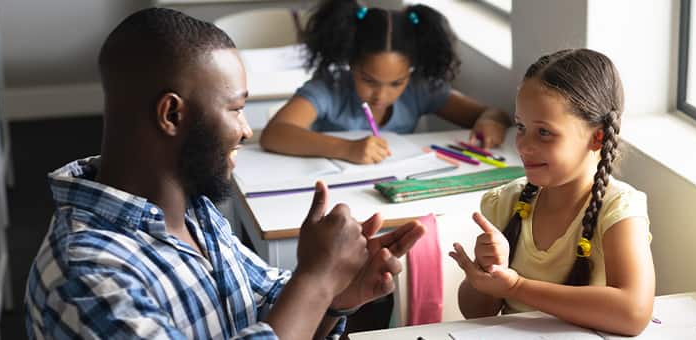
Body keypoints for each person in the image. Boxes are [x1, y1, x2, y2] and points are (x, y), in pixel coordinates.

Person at [24, 7, 424, 339]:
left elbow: (265, 307)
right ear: (172, 115)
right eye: (235, 109)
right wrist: (317, 280)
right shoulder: (87, 276)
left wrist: (335, 294)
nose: (246, 129)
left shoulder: (192, 208)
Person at [448, 49, 655, 336]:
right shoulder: (506, 202)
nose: (524, 145)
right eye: (521, 127)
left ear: (597, 137)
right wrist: (486, 272)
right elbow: (476, 311)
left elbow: (633, 313)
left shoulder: (618, 210)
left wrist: (517, 286)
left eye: (544, 132)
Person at [259, 0, 512, 164]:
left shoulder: (419, 88)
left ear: (410, 73)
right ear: (351, 63)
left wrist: (489, 123)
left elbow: (492, 113)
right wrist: (346, 149)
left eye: (396, 83)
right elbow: (274, 134)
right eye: (369, 80)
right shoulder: (330, 87)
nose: (381, 95)